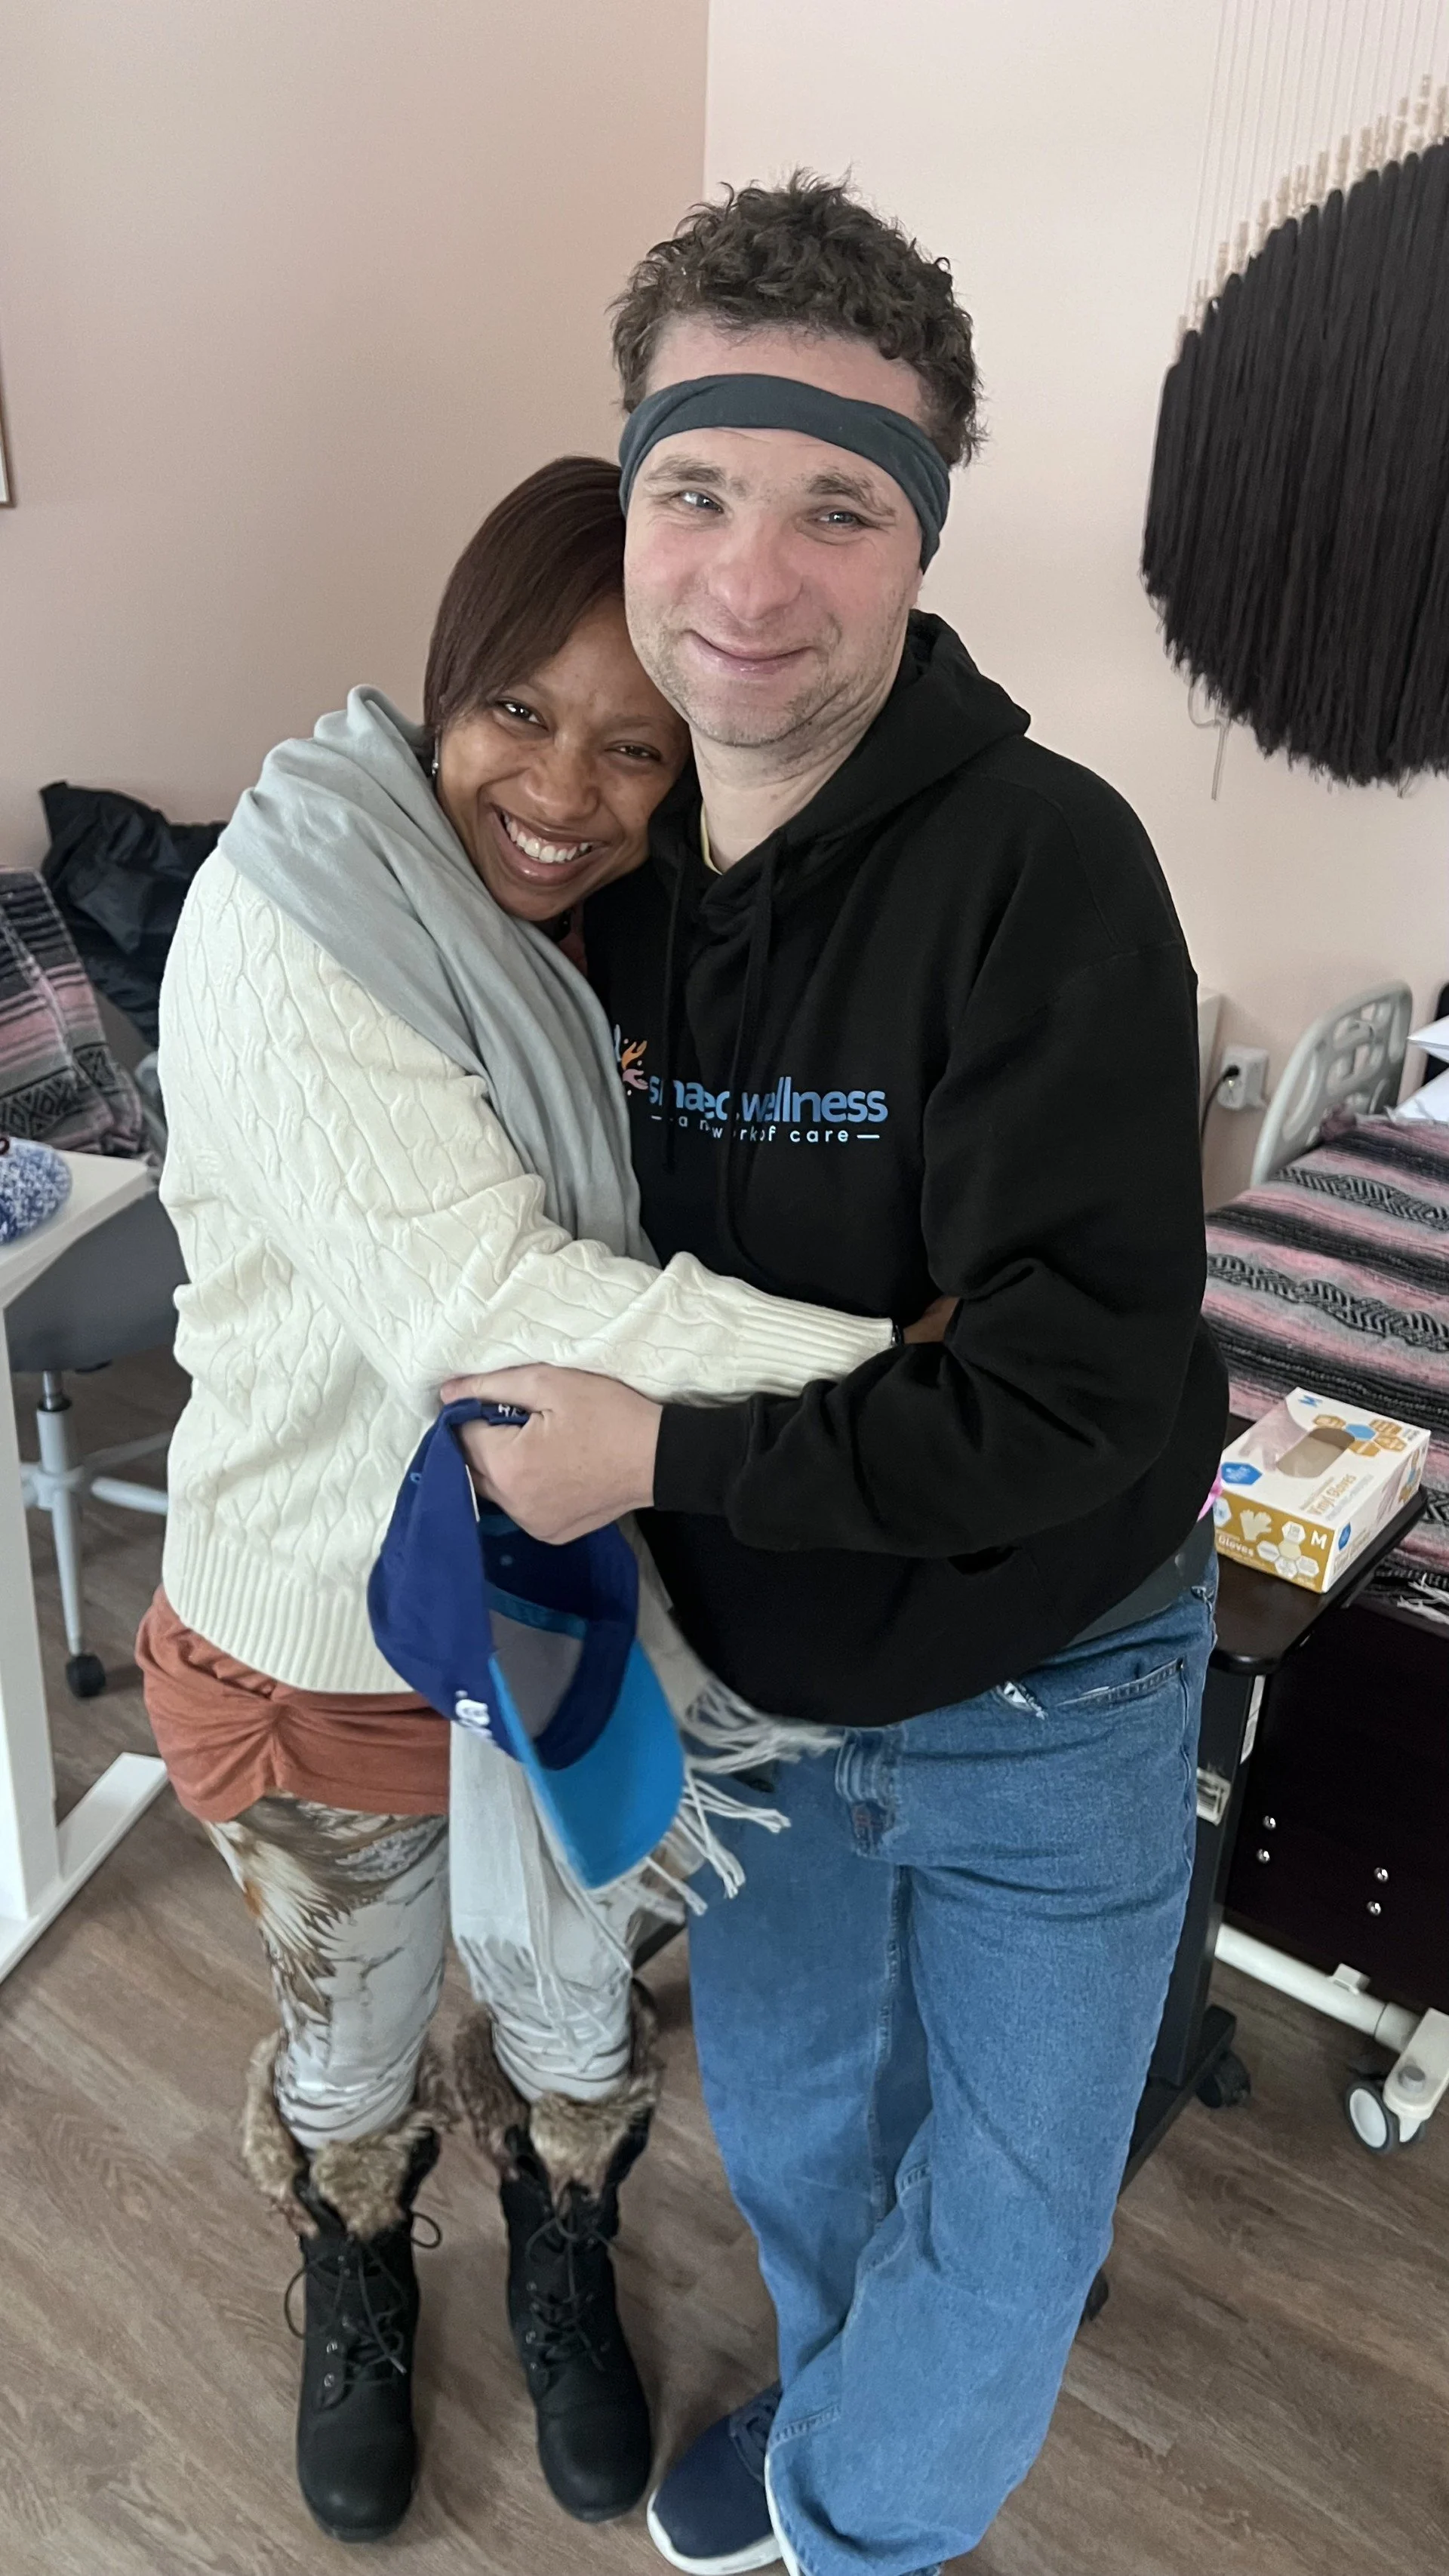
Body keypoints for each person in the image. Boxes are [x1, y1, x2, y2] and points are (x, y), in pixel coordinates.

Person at [448, 177, 1229, 2576]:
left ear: (922, 542)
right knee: (790, 2133)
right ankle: (835, 2408)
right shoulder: (616, 863)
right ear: (628, 485)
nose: (747, 582)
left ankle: (864, 2524)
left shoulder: (1048, 870)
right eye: (697, 490)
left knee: (1006, 2231)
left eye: (836, 507)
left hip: (1051, 1681)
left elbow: (1077, 1399)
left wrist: (658, 1446)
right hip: (766, 1689)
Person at [138, 457, 909, 2545]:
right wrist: (898, 1360)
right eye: (521, 714)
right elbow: (487, 1300)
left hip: (561, 1604)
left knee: (575, 2008)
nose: (568, 788)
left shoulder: (575, 950)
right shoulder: (294, 912)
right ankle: (364, 2269)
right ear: (436, 690)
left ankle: (564, 2243)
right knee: (354, 2033)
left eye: (633, 745)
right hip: (320, 1632)